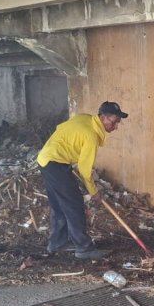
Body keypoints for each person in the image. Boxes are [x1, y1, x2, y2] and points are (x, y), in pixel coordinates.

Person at [36, 101, 128, 260]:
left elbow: (61, 128)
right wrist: (94, 192)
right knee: (74, 205)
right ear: (103, 117)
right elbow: (85, 171)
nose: (115, 127)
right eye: (114, 122)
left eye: (117, 123)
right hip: (56, 163)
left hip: (46, 159)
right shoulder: (91, 136)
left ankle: (57, 242)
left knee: (59, 204)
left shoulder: (84, 118)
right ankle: (83, 248)